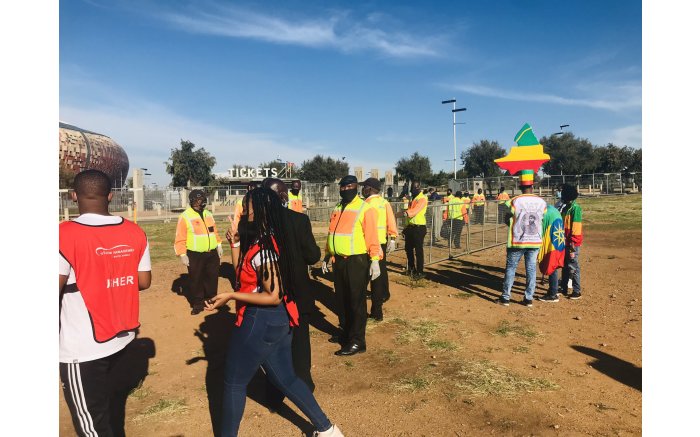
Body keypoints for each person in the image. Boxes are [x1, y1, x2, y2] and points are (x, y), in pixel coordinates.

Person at [205, 188, 344, 437]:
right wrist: (234, 242)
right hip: (277, 322)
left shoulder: (264, 248)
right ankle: (328, 430)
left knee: (234, 384)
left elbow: (272, 294)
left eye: (246, 207)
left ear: (259, 211)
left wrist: (231, 296)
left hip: (260, 321)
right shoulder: (261, 240)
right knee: (287, 379)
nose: (243, 210)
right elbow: (240, 275)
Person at [59, 169, 152, 437]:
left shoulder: (62, 234)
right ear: (110, 196)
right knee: (108, 412)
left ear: (73, 196)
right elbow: (143, 281)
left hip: (82, 348)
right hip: (121, 339)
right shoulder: (134, 231)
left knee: (92, 427)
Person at [260, 178, 321, 410]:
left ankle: (274, 393)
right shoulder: (298, 220)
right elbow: (312, 256)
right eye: (284, 193)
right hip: (296, 291)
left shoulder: (258, 224)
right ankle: (303, 384)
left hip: (269, 293)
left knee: (273, 345)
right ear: (283, 196)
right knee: (300, 343)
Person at [321, 175, 382, 356]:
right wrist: (327, 255)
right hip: (338, 261)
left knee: (356, 302)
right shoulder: (338, 207)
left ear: (356, 187)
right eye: (342, 187)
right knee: (342, 299)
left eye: (348, 187)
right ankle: (346, 333)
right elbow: (332, 233)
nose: (344, 189)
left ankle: (357, 341)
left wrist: (375, 260)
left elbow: (372, 236)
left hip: (356, 261)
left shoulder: (365, 208)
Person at [499, 174, 547, 307]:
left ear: (520, 187)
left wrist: (511, 223)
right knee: (531, 269)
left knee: (511, 268)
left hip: (517, 241)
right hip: (534, 241)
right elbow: (542, 218)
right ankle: (528, 298)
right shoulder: (542, 202)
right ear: (532, 186)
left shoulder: (515, 201)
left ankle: (505, 298)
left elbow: (507, 217)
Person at [174, 189, 223, 315]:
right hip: (195, 254)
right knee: (196, 279)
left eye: (200, 200)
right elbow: (180, 237)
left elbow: (214, 232)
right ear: (191, 201)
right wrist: (182, 254)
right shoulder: (185, 216)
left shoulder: (208, 214)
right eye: (195, 200)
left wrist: (219, 245)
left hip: (212, 253)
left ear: (204, 201)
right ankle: (198, 304)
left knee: (212, 278)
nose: (197, 203)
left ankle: (211, 300)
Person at [360, 177, 398, 321]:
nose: (363, 190)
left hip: (365, 246)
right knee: (378, 277)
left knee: (365, 278)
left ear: (369, 189)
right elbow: (391, 221)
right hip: (380, 244)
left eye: (364, 187)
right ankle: (377, 312)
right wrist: (393, 238)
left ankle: (363, 312)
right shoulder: (384, 203)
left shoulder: (364, 205)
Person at [536, 204, 566, 302]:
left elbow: (541, 228)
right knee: (554, 266)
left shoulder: (545, 212)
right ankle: (553, 290)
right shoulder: (553, 210)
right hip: (558, 242)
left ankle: (553, 294)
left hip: (551, 243)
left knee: (551, 266)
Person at [559, 184, 584, 299]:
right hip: (564, 242)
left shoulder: (575, 209)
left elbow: (576, 229)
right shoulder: (565, 208)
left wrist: (573, 245)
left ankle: (576, 290)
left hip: (572, 243)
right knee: (565, 265)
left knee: (573, 265)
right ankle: (563, 287)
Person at [402, 181, 428, 278]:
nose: (412, 190)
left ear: (418, 188)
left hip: (419, 227)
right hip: (410, 227)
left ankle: (420, 272)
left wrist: (404, 213)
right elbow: (408, 214)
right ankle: (411, 269)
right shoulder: (413, 198)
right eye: (411, 188)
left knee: (418, 251)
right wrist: (405, 227)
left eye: (413, 188)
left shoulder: (422, 198)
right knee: (408, 249)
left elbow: (414, 211)